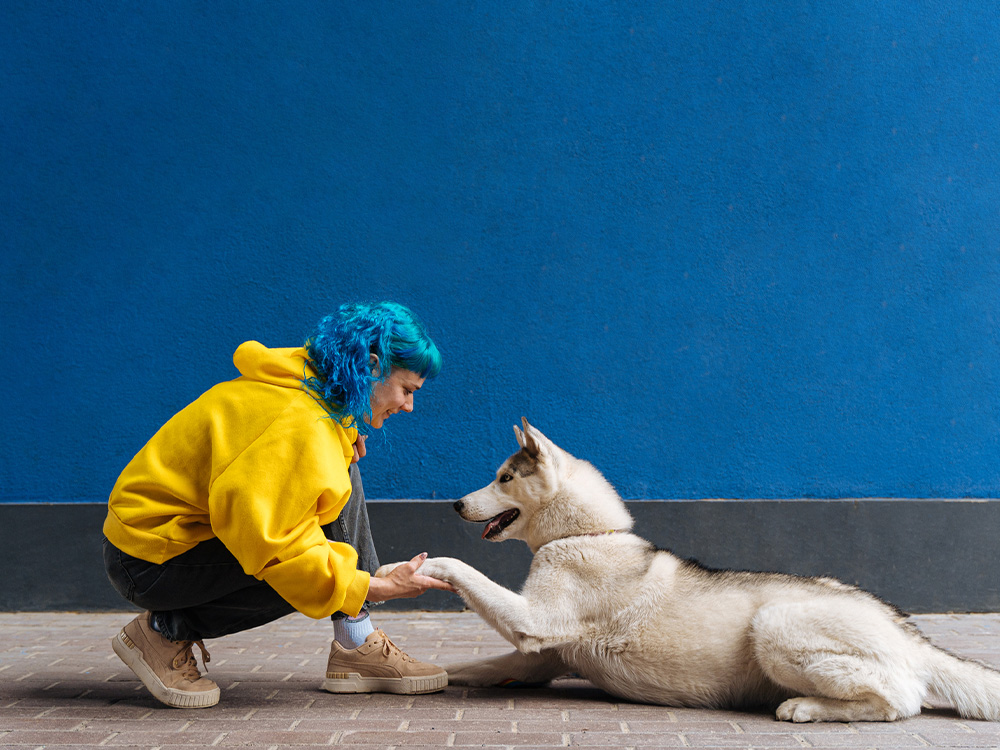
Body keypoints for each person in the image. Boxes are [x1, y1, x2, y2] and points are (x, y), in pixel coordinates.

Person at [102, 301, 455, 708]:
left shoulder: (308, 395)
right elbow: (278, 550)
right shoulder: (299, 422)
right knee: (306, 580)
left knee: (345, 471)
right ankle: (164, 631)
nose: (409, 406)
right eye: (407, 389)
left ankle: (356, 640)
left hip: (169, 538)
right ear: (372, 366)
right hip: (146, 560)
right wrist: (375, 586)